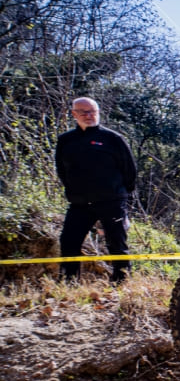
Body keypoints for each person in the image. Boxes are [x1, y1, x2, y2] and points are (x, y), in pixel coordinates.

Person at [55, 97, 137, 283]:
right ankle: (68, 282)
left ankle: (121, 281)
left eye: (92, 111)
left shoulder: (113, 139)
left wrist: (122, 195)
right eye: (83, 112)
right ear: (74, 114)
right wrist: (73, 191)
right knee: (68, 241)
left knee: (117, 242)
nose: (89, 115)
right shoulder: (65, 140)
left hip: (111, 201)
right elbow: (62, 170)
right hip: (79, 203)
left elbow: (129, 171)